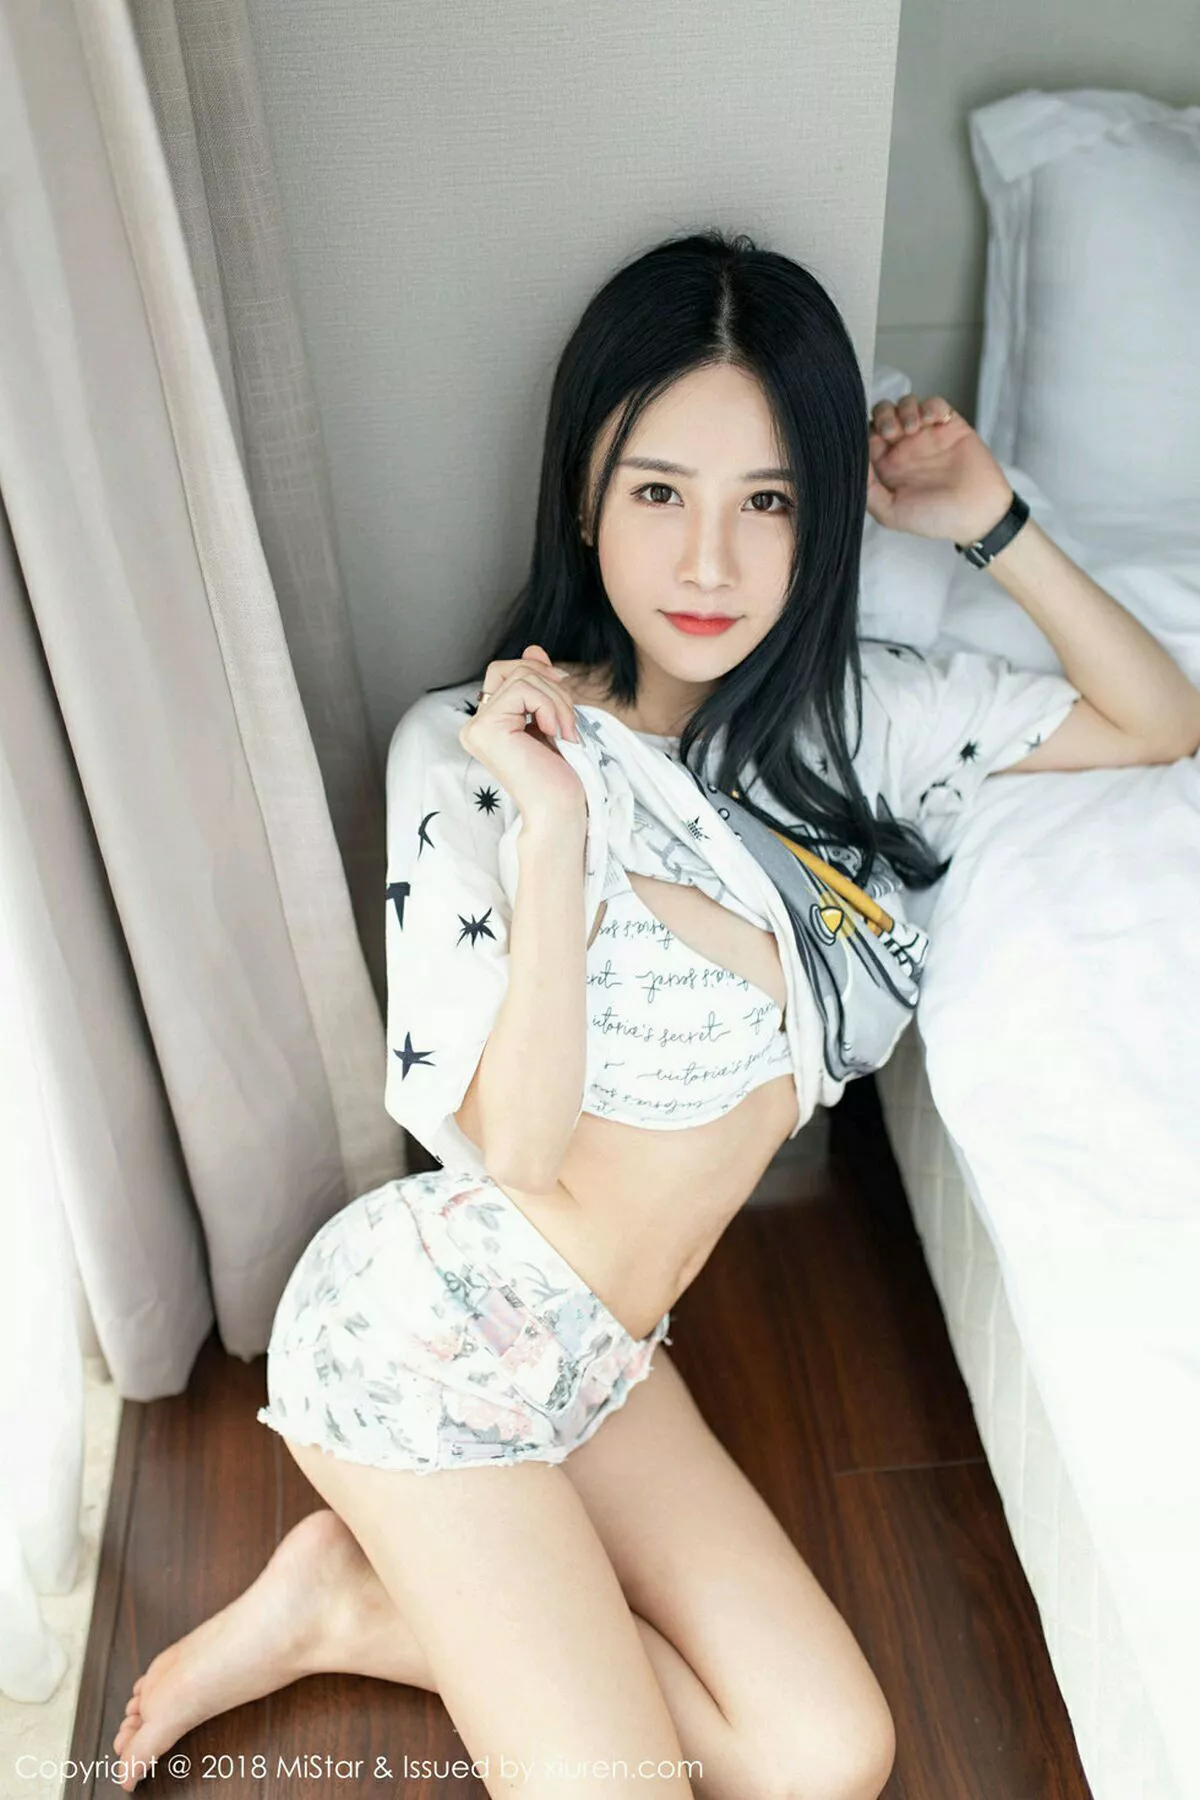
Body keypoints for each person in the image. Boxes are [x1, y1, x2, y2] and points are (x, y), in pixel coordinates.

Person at [111, 228, 1200, 1799]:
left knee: (827, 1755)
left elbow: (1158, 721)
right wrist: (558, 833)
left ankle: (350, 1601)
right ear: (584, 498)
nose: (709, 564)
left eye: (768, 502)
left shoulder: (863, 727)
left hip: (607, 1361)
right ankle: (403, 1574)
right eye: (659, 494)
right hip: (427, 1338)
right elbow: (518, 1145)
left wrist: (990, 518)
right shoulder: (472, 751)